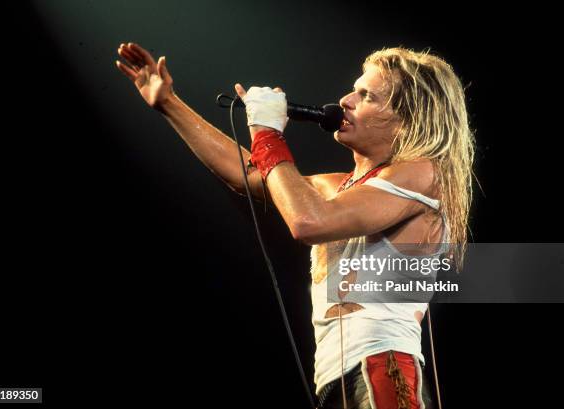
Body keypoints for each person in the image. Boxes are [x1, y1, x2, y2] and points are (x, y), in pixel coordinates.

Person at [116, 42, 474, 409]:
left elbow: (309, 222)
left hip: (381, 366)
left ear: (407, 118)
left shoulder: (426, 174)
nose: (346, 100)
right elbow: (251, 175)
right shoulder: (337, 189)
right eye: (354, 88)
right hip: (335, 378)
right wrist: (168, 103)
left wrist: (267, 134)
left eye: (367, 96)